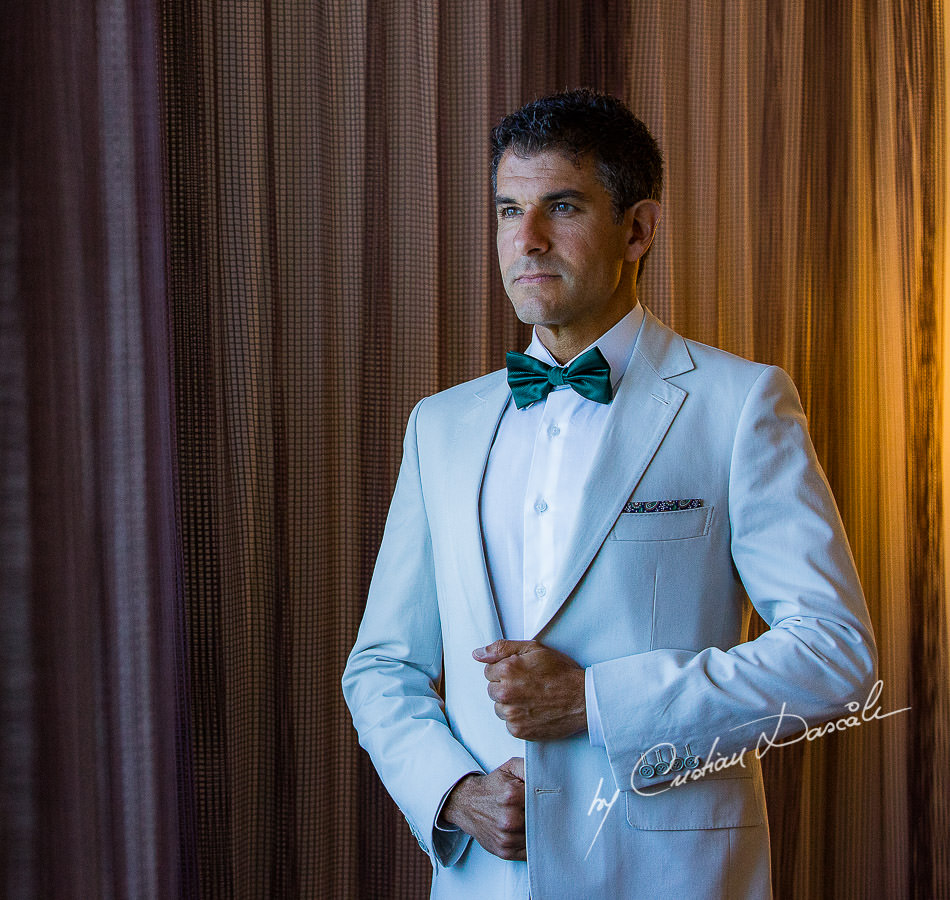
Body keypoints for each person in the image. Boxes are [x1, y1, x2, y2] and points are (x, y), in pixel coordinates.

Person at [341, 89, 877, 899]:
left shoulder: (740, 404)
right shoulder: (440, 426)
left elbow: (835, 653)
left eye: (561, 206)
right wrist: (453, 793)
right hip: (490, 881)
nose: (525, 239)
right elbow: (382, 666)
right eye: (508, 209)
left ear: (638, 228)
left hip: (673, 876)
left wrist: (597, 702)